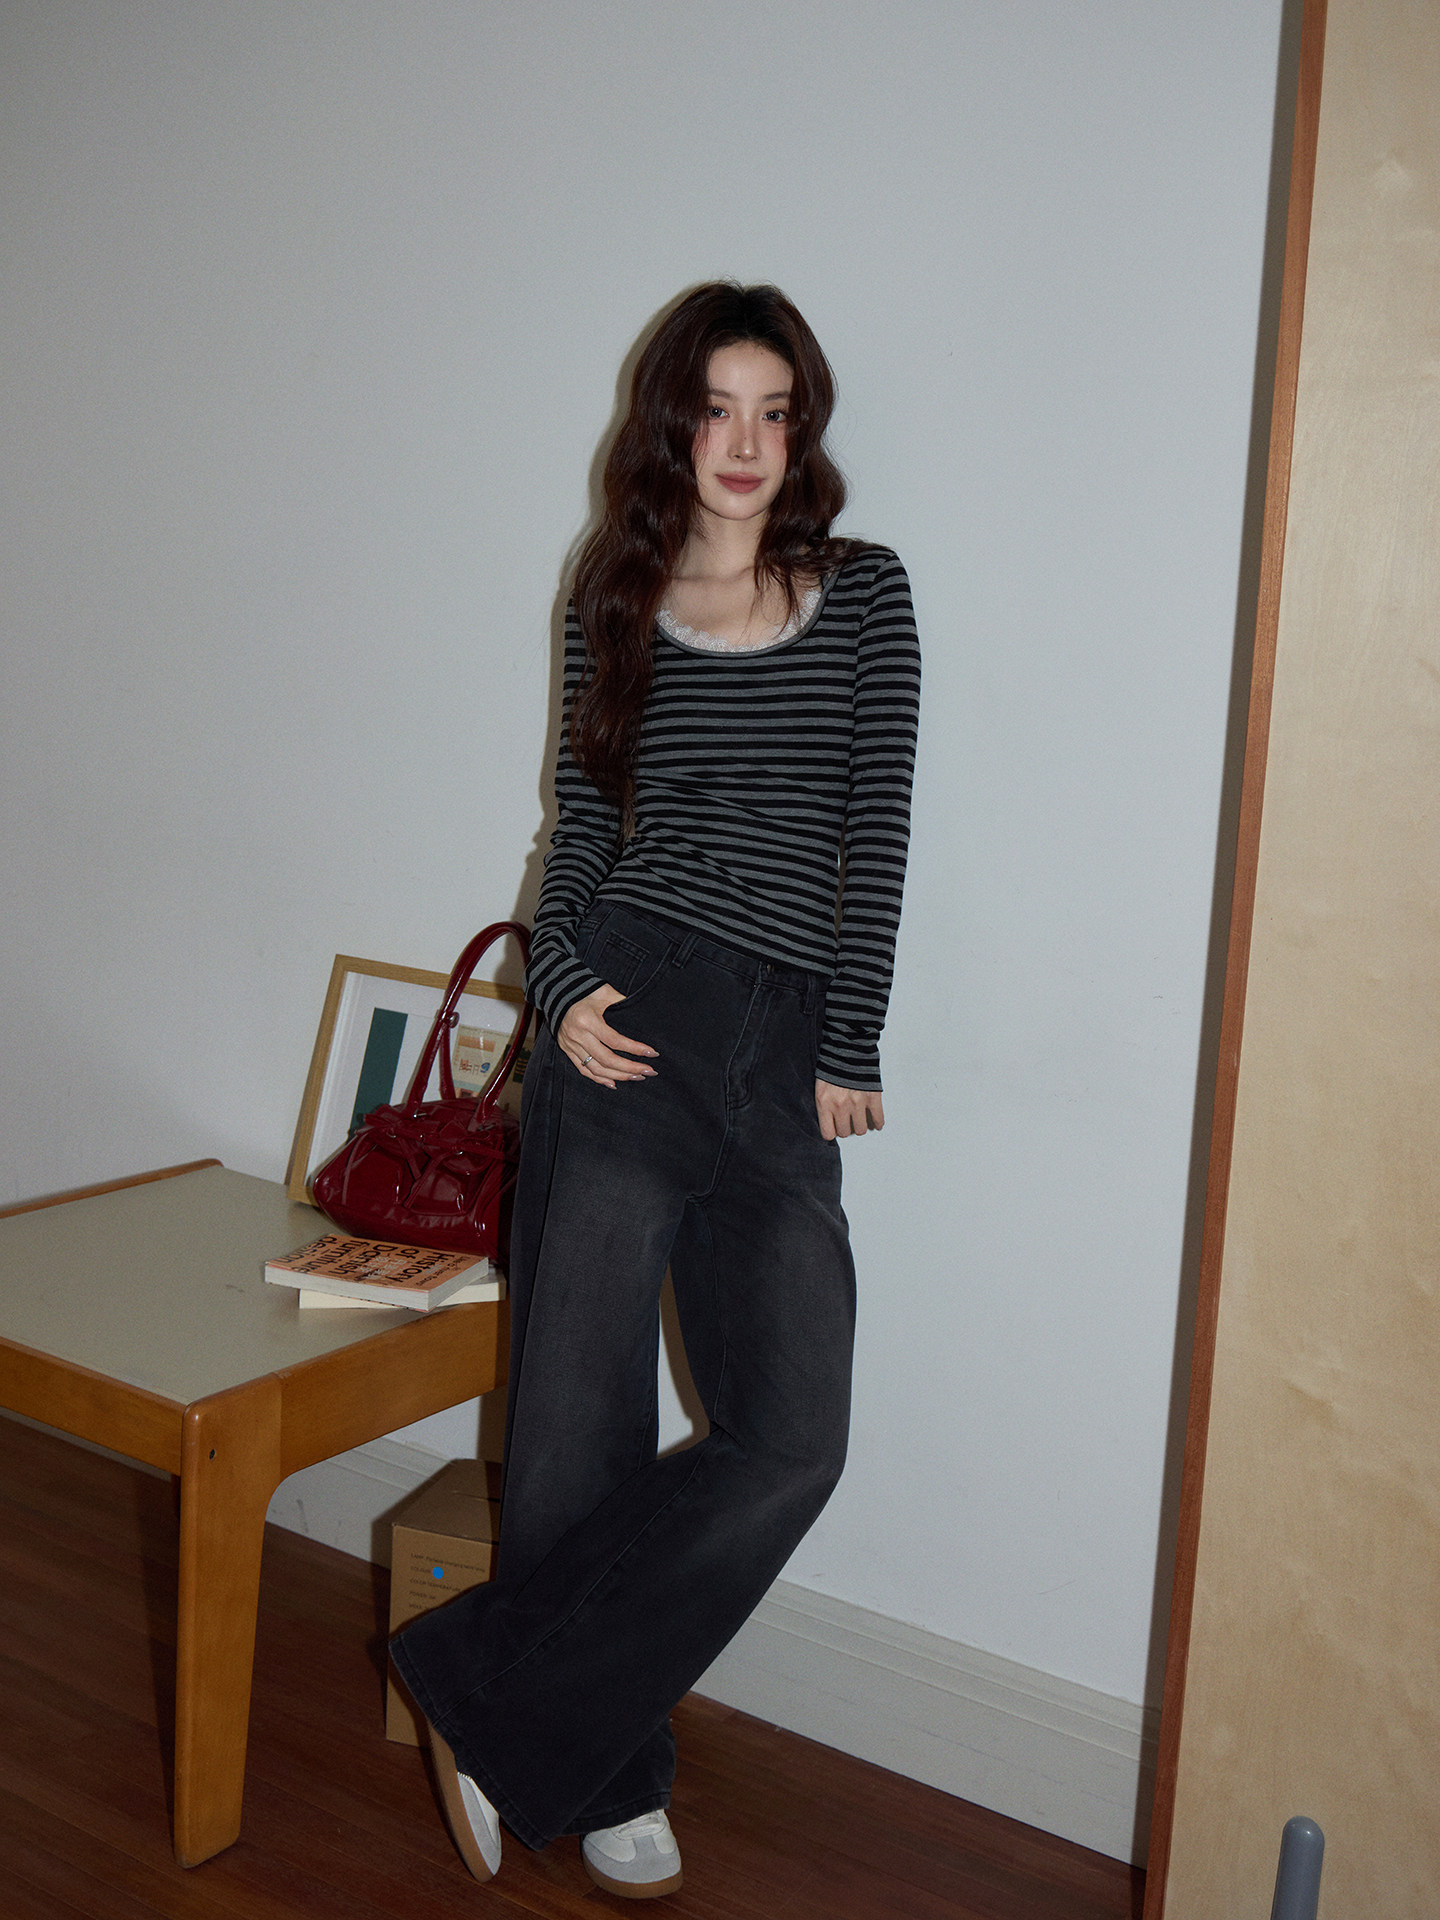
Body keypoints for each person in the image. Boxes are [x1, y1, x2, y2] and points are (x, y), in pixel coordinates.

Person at [390, 281, 921, 1897]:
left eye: (776, 410)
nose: (745, 442)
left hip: (786, 1044)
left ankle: (493, 1695)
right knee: (578, 1418)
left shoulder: (867, 592)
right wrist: (557, 982)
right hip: (628, 1010)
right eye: (716, 408)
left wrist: (852, 1036)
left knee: (793, 1436)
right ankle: (611, 1769)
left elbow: (879, 820)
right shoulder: (611, 595)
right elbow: (582, 818)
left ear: (801, 429)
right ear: (670, 422)